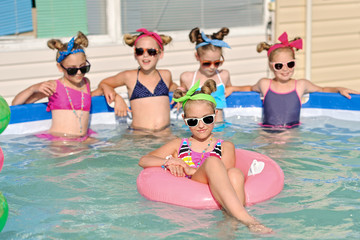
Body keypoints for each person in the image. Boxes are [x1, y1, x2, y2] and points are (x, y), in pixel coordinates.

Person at [139, 79, 272, 234]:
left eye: (207, 119)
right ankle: (248, 220)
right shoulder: (178, 144)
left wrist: (190, 169)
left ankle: (230, 230)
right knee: (213, 161)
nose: (201, 125)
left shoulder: (225, 146)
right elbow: (144, 160)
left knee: (235, 173)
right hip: (191, 187)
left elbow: (225, 176)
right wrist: (169, 161)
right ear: (185, 120)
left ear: (215, 116)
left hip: (214, 184)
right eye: (193, 121)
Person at [227, 32, 360, 128]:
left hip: (292, 133)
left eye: (290, 64)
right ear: (271, 66)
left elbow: (322, 90)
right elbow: (250, 88)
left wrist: (338, 89)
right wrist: (233, 88)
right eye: (279, 66)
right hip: (267, 132)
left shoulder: (301, 85)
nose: (285, 69)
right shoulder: (265, 84)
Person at [12, 32, 93, 141]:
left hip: (83, 138)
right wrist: (33, 88)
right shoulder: (54, 86)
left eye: (83, 68)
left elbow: (88, 97)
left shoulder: (86, 83)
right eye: (72, 70)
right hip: (61, 141)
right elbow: (16, 104)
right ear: (60, 68)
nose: (79, 72)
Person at [92, 28, 178, 132]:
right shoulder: (129, 76)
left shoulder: (166, 75)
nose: (145, 55)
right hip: (140, 135)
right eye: (140, 51)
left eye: (151, 51)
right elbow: (104, 83)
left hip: (165, 133)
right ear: (135, 54)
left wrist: (180, 92)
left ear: (160, 54)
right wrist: (117, 97)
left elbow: (173, 87)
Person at [180, 27, 248, 122]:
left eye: (217, 63)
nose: (212, 67)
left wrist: (233, 88)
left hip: (219, 128)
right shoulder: (187, 78)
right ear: (197, 56)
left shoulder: (223, 75)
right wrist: (180, 95)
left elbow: (236, 90)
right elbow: (180, 91)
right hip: (198, 128)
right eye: (207, 63)